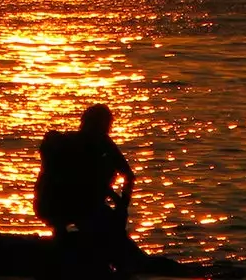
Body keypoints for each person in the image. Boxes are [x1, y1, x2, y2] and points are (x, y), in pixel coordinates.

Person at [35, 104, 159, 276]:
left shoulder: (101, 143)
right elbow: (83, 181)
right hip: (70, 205)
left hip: (71, 206)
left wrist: (122, 203)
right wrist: (118, 201)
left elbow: (127, 176)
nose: (107, 129)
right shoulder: (74, 144)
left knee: (110, 233)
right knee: (108, 234)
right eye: (105, 124)